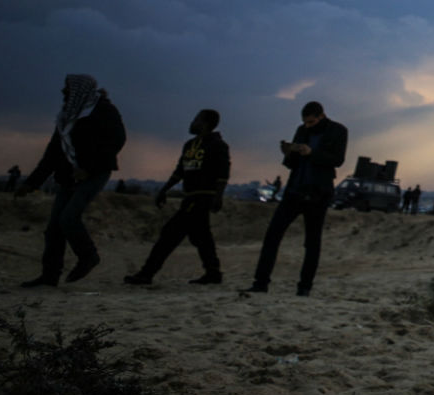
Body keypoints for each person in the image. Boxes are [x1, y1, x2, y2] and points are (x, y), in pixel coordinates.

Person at [17, 74, 127, 287]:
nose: (63, 92)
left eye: (67, 88)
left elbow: (116, 140)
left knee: (68, 219)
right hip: (68, 175)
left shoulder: (104, 111)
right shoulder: (67, 117)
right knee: (54, 228)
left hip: (94, 174)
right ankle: (49, 276)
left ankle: (88, 257)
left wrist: (89, 168)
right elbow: (53, 154)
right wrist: (31, 183)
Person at [246, 101, 347, 296]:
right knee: (272, 236)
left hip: (318, 193)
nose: (308, 126)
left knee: (312, 243)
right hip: (295, 190)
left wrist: (312, 153)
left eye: (311, 122)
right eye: (305, 122)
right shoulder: (301, 130)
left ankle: (304, 287)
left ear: (321, 116)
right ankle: (260, 283)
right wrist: (289, 153)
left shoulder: (338, 130)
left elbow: (337, 160)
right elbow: (292, 164)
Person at [125, 109, 232, 286]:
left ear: (205, 123)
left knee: (170, 233)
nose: (192, 123)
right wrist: (164, 189)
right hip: (189, 197)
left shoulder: (218, 145)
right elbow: (180, 171)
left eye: (196, 119)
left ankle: (146, 273)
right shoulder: (189, 145)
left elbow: (223, 173)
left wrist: (218, 196)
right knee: (201, 237)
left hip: (202, 197)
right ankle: (213, 273)